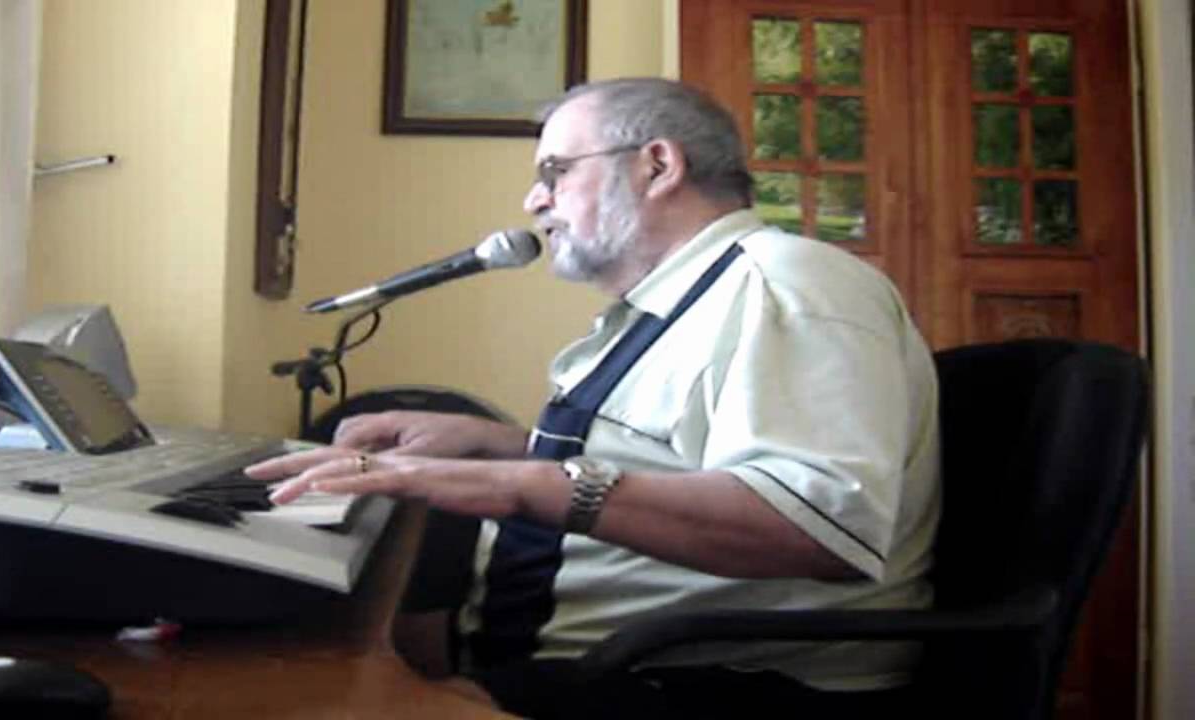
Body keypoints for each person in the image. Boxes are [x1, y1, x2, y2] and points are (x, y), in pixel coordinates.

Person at [246, 77, 940, 719]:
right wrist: (503, 447)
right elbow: (674, 459)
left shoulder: (783, 287)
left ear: (658, 166)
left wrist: (518, 484)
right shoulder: (677, 303)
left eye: (556, 171)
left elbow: (813, 524)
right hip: (577, 655)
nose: (533, 201)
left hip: (717, 680)